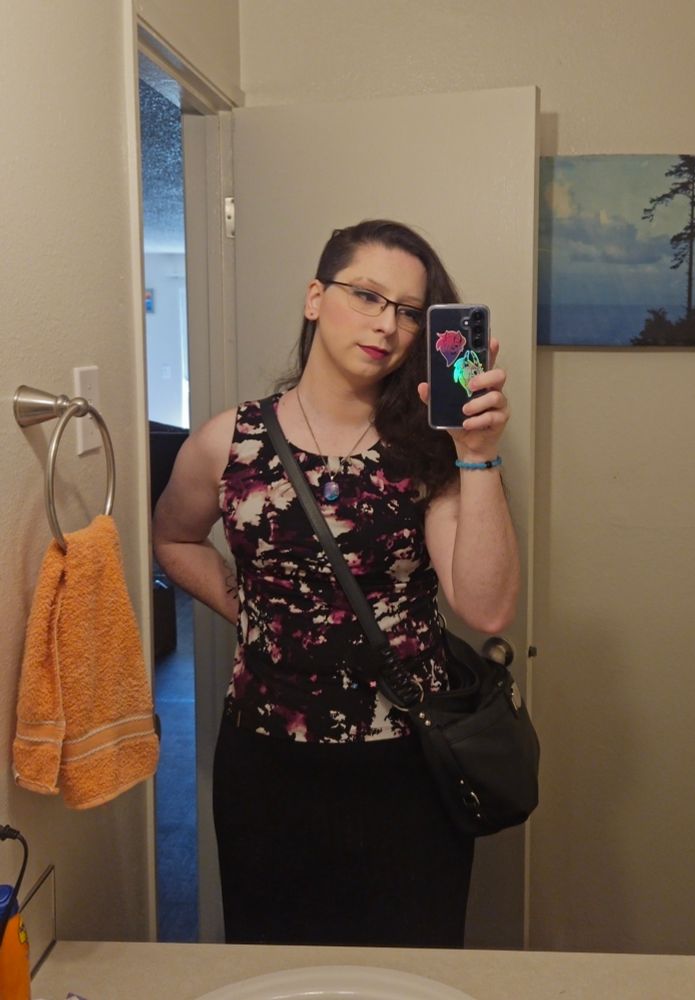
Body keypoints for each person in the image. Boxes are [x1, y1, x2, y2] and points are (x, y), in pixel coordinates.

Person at [152, 219, 520, 949]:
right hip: (267, 763)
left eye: (409, 311)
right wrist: (250, 609)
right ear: (315, 298)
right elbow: (171, 538)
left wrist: (477, 456)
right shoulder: (229, 441)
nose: (387, 323)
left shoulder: (428, 450)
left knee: (411, 971)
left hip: (407, 765)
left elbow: (487, 605)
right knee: (275, 966)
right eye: (367, 296)